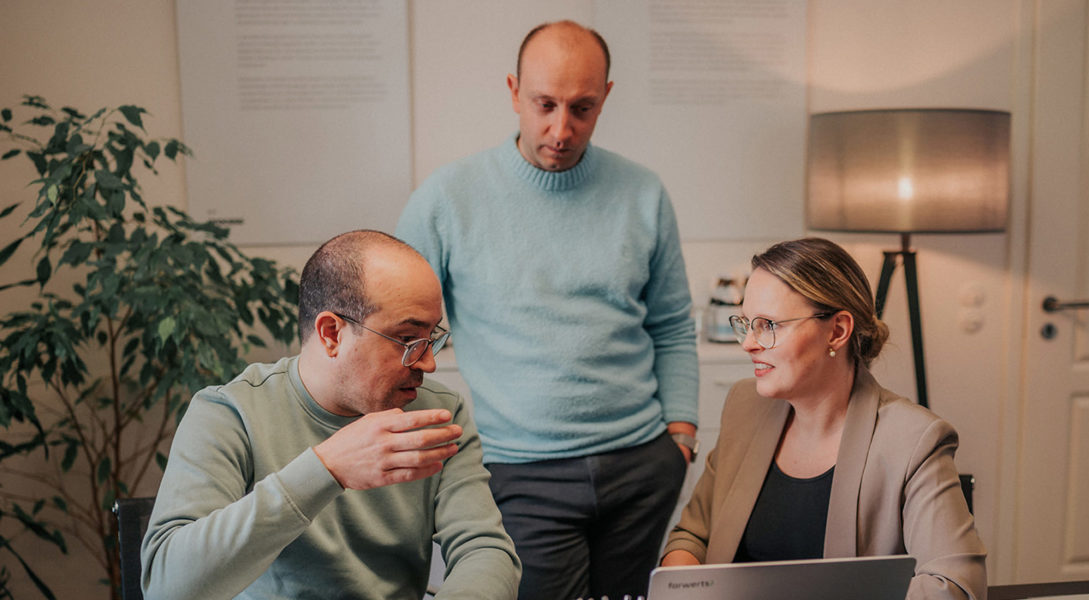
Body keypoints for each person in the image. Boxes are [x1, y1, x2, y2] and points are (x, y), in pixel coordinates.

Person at [394, 20, 699, 600]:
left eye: (582, 108)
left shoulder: (643, 192)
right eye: (545, 105)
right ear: (514, 92)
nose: (561, 130)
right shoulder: (447, 198)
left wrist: (680, 435)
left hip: (642, 464)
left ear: (606, 97)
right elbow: (397, 330)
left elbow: (671, 324)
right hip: (518, 472)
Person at [140, 230, 521, 600]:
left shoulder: (438, 414)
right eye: (407, 340)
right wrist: (327, 469)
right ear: (331, 334)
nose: (428, 363)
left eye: (431, 338)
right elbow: (167, 588)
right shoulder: (229, 413)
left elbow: (484, 550)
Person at [662, 238, 987, 600]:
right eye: (746, 323)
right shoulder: (745, 406)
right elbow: (693, 536)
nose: (748, 343)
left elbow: (955, 586)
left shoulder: (914, 441)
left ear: (837, 331)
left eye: (768, 325)